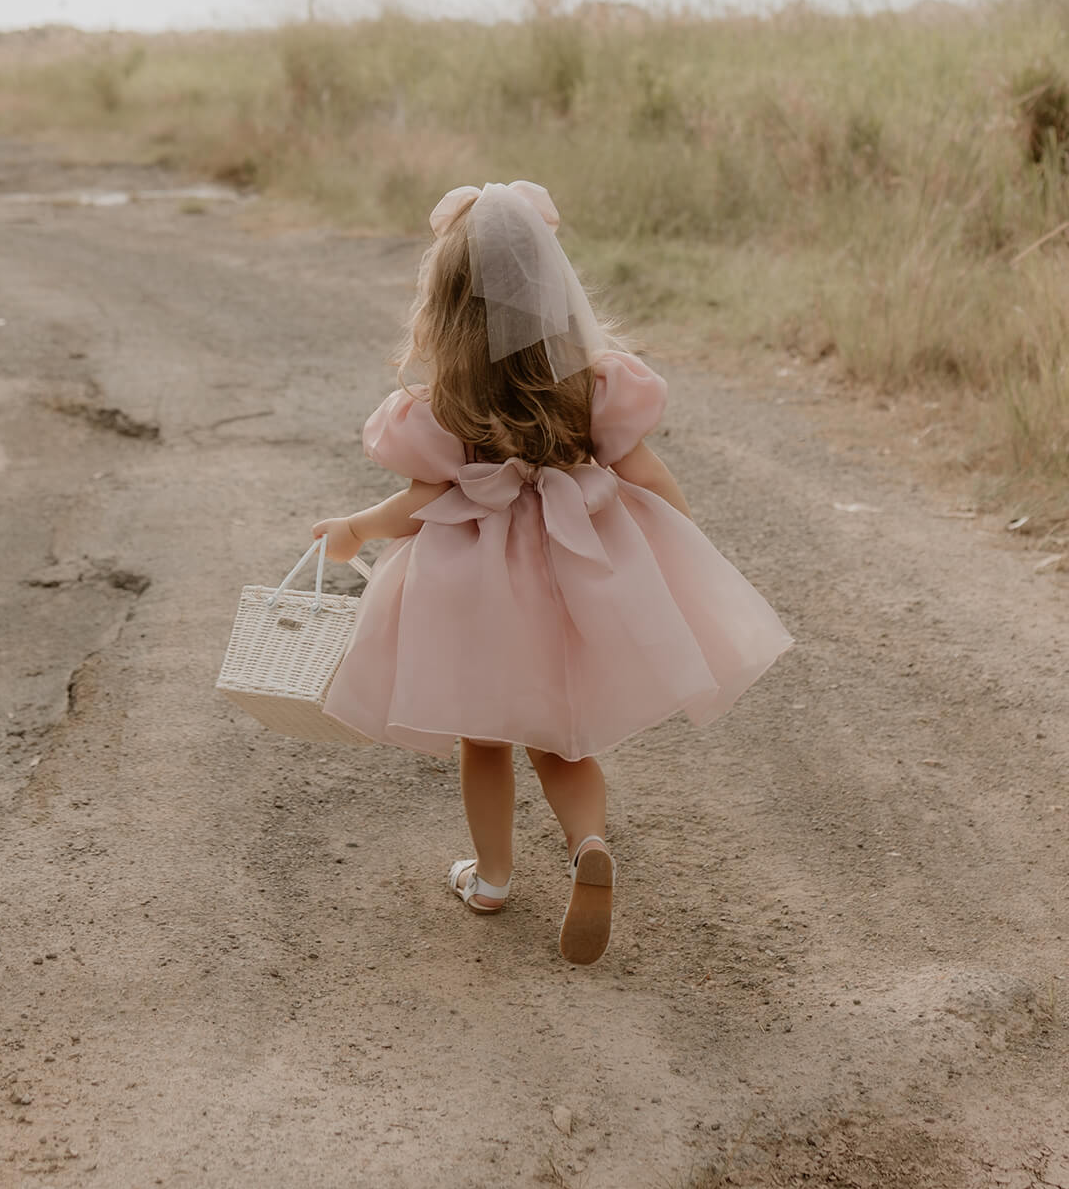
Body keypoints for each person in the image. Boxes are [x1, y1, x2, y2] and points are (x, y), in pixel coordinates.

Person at [310, 179, 792, 964]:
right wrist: (686, 546)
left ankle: (494, 877)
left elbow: (422, 496)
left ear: (448, 301)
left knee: (485, 737)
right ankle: (587, 844)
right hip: (568, 578)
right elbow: (647, 475)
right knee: (562, 741)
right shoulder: (592, 386)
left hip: (472, 587)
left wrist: (356, 529)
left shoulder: (444, 403)